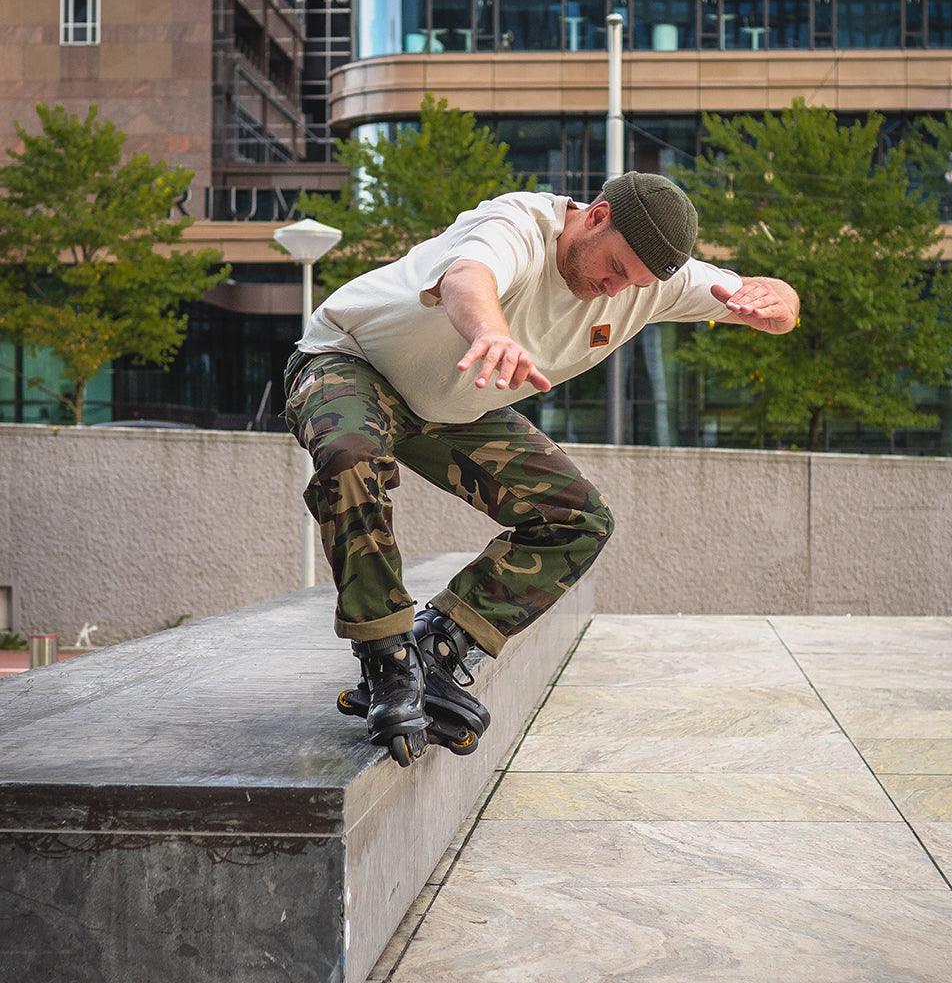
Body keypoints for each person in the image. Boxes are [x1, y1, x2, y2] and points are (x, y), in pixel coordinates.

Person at [283, 171, 799, 766]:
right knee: (350, 456)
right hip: (350, 361)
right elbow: (468, 276)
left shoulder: (651, 280)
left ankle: (439, 647)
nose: (614, 289)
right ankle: (387, 656)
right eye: (614, 268)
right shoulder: (518, 225)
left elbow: (767, 291)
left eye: (632, 283)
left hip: (452, 408)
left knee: (579, 520)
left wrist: (779, 307)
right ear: (597, 216)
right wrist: (492, 333)